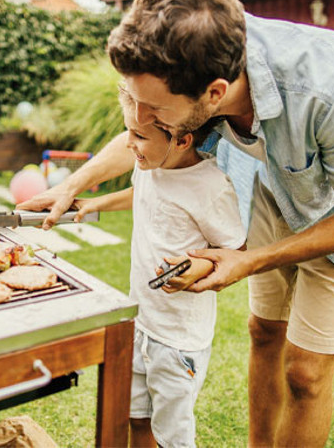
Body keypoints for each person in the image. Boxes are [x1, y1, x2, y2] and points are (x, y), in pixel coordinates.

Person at [18, 0, 334, 446]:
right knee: (263, 332)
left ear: (215, 94)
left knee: (305, 372)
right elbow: (145, 136)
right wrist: (72, 184)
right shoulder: (188, 62)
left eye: (152, 109)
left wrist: (249, 259)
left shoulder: (326, 82)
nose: (137, 118)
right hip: (270, 188)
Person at [72, 90, 246, 447]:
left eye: (138, 137)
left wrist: (198, 268)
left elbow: (235, 249)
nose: (130, 145)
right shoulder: (151, 166)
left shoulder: (211, 187)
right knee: (137, 418)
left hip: (178, 340)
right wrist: (96, 202)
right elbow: (143, 195)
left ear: (181, 140)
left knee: (172, 437)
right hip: (140, 323)